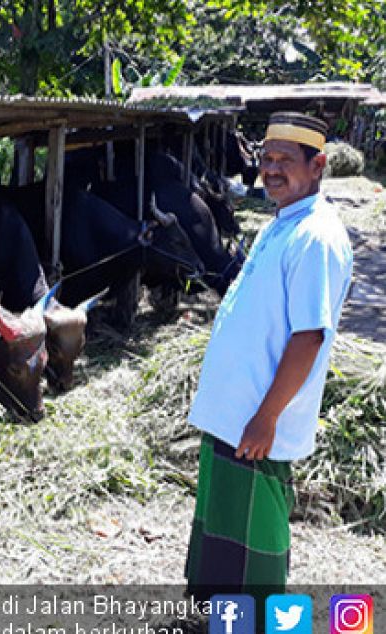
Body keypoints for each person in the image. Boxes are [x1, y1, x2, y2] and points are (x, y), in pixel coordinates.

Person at [185, 112, 354, 598]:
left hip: (257, 426)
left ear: (318, 164)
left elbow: (309, 338)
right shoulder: (281, 223)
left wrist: (266, 417)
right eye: (266, 158)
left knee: (250, 558)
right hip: (233, 417)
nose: (272, 169)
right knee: (221, 547)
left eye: (285, 160)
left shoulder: (316, 236)